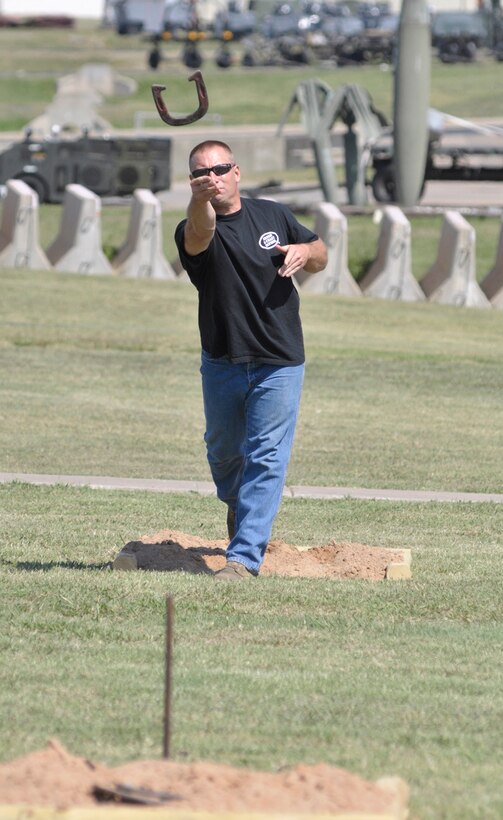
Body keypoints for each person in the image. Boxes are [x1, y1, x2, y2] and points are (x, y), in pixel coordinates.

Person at [175, 140, 327, 581]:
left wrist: (304, 252)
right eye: (201, 173)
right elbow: (201, 233)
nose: (212, 177)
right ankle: (239, 505)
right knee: (223, 452)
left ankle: (243, 559)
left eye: (220, 168)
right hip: (222, 358)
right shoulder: (192, 226)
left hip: (279, 359)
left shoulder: (273, 215)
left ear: (237, 172)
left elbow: (320, 252)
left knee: (267, 456)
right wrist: (199, 200)